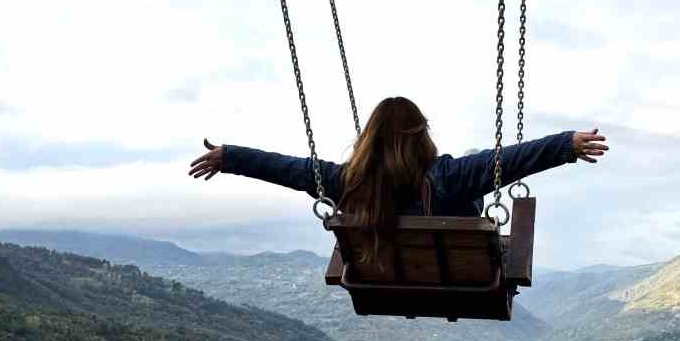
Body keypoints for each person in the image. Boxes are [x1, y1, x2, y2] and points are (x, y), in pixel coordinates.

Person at [188, 95, 608, 271]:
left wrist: (231, 158)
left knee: (476, 177)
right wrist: (567, 145)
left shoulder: (347, 180)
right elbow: (512, 159)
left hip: (385, 279)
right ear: (420, 135)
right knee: (479, 178)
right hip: (465, 276)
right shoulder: (449, 176)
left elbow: (291, 169)